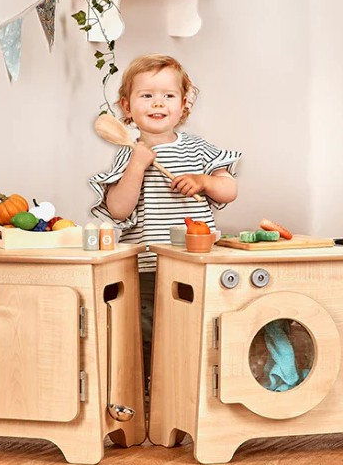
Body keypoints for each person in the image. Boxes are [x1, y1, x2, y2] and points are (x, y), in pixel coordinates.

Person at [89, 53, 241, 393]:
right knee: (148, 332)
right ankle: (150, 393)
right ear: (127, 107)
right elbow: (118, 209)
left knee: (194, 328)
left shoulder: (198, 150)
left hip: (195, 263)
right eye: (147, 95)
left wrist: (204, 181)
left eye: (168, 95)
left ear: (183, 105)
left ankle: (191, 389)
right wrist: (137, 166)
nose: (158, 103)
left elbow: (229, 190)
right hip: (147, 266)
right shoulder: (128, 154)